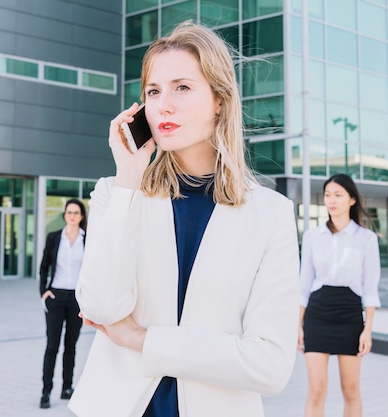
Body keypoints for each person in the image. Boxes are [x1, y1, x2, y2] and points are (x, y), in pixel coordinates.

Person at [67, 21, 300, 417]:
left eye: (182, 87)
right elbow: (103, 308)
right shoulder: (117, 193)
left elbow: (270, 366)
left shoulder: (270, 213)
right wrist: (128, 177)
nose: (164, 105)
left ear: (220, 100)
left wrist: (142, 339)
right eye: (153, 92)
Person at [298, 173, 381, 417]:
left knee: (351, 389)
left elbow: (370, 288)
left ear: (352, 199)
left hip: (350, 316)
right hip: (317, 314)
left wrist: (368, 329)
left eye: (338, 195)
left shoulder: (366, 239)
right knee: (316, 390)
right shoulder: (312, 236)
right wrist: (298, 325)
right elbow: (304, 284)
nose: (331, 200)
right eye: (327, 195)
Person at [38, 198, 87, 409]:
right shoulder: (54, 238)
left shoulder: (89, 239)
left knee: (71, 346)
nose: (72, 216)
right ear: (65, 215)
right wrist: (44, 292)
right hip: (56, 297)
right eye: (69, 212)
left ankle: (67, 388)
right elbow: (44, 266)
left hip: (77, 299)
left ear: (81, 216)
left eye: (76, 212)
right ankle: (46, 391)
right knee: (52, 346)